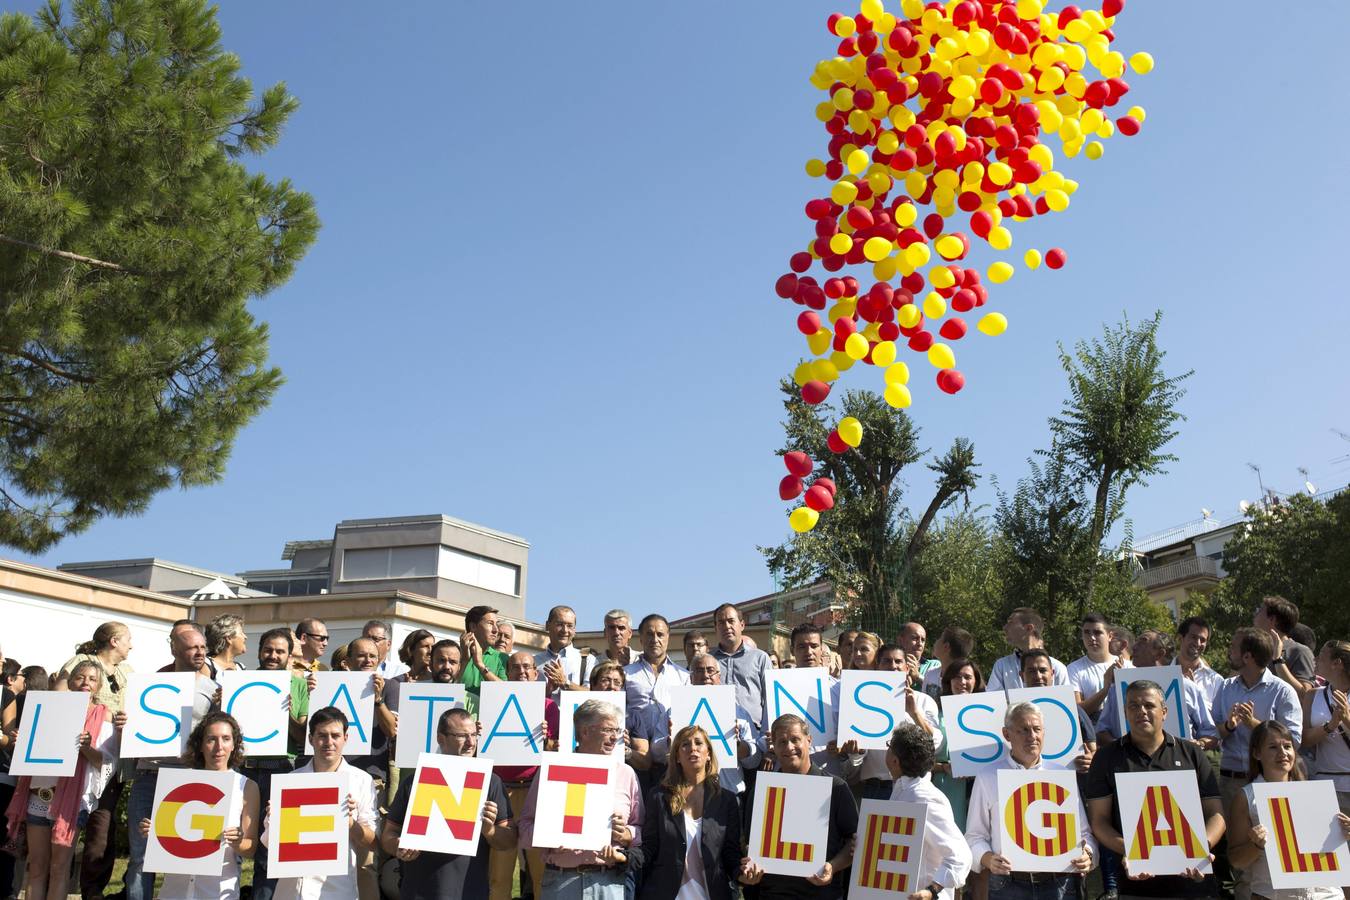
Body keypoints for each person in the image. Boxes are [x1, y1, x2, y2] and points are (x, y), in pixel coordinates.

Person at [1086, 680, 1226, 899]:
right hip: (1136, 885)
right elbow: (1099, 821)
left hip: (1193, 881)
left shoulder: (1191, 753)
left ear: (1164, 711)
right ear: (1125, 712)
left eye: (1149, 705)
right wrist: (1132, 851)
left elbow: (1216, 814)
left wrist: (1199, 848)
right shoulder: (1106, 757)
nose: (1141, 711)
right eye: (1133, 706)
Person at [4, 660, 121, 900]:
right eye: (80, 677)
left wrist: (86, 747)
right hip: (40, 793)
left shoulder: (102, 715)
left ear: (98, 686)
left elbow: (104, 762)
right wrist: (21, 742)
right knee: (36, 867)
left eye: (91, 679)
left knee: (59, 868)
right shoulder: (48, 709)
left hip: (71, 801)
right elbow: (32, 751)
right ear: (71, 681)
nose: (85, 683)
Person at [126, 624, 219, 900]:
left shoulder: (214, 689)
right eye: (192, 647)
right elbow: (134, 726)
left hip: (189, 777)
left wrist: (226, 706)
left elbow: (220, 734)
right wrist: (124, 725)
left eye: (203, 647)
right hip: (148, 775)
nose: (200, 652)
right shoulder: (150, 684)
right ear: (174, 649)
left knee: (182, 857)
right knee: (140, 857)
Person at [382, 708, 516, 899]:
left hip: (468, 892)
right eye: (462, 736)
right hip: (418, 892)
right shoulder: (415, 781)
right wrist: (399, 846)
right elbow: (388, 836)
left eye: (474, 735)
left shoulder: (490, 781)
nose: (471, 743)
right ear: (441, 738)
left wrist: (490, 831)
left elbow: (509, 840)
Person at [966, 702, 1096, 899]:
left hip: (1060, 884)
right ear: (1007, 734)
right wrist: (987, 859)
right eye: (1023, 730)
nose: (1032, 736)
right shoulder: (988, 777)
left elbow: (1084, 833)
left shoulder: (1062, 775)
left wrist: (1088, 854)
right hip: (1008, 886)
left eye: (1037, 729)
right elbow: (974, 836)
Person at [518, 699, 643, 900]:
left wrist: (626, 834)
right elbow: (524, 827)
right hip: (561, 881)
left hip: (608, 882)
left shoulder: (626, 774)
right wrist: (548, 836)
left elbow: (640, 829)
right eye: (608, 730)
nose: (614, 738)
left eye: (617, 731)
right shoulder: (551, 771)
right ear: (584, 732)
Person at [53, 621, 135, 900]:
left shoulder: (128, 672)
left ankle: (93, 891)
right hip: (74, 761)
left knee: (102, 830)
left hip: (111, 764)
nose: (131, 646)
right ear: (114, 641)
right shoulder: (81, 662)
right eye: (128, 640)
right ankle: (57, 886)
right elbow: (58, 702)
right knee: (64, 827)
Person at [139, 712, 260, 900]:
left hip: (218, 892)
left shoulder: (247, 787)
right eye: (212, 739)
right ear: (201, 745)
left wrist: (237, 842)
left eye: (226, 739)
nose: (219, 747)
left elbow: (251, 848)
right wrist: (154, 831)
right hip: (174, 891)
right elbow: (170, 836)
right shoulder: (178, 783)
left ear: (234, 744)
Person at [738, 714, 858, 898]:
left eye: (795, 740)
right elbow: (749, 842)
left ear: (808, 740)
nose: (789, 747)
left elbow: (854, 841)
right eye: (782, 742)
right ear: (774, 748)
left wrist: (832, 866)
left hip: (822, 894)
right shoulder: (762, 790)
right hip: (773, 894)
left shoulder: (836, 787)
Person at [265, 707, 377, 900]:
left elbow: (373, 842)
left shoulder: (362, 781)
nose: (329, 742)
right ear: (310, 739)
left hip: (336, 890)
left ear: (346, 738)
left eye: (335, 735)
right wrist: (275, 822)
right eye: (322, 736)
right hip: (291, 890)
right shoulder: (291, 781)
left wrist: (351, 824)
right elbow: (269, 844)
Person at [1227, 720, 1346, 900]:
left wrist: (1344, 833)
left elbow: (1334, 855)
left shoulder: (1316, 794)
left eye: (1287, 746)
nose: (1283, 753)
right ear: (1257, 753)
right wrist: (1256, 845)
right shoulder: (1246, 797)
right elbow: (1236, 861)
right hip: (1273, 895)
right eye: (1273, 747)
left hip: (1327, 894)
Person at [634, 725, 742, 900]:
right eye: (685, 744)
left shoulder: (727, 800)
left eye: (698, 743)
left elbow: (731, 854)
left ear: (708, 754)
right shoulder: (658, 796)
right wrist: (624, 858)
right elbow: (649, 848)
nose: (692, 748)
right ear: (676, 756)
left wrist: (743, 874)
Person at [489, 652, 560, 900]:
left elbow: (559, 750)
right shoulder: (492, 702)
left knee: (541, 872)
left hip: (535, 791)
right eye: (515, 667)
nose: (521, 672)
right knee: (499, 873)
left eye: (527, 667)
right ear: (506, 673)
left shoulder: (550, 707)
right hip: (501, 792)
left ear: (535, 673)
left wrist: (548, 740)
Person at [246, 628, 311, 900]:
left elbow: (302, 736)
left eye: (280, 651)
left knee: (270, 847)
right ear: (260, 651)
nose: (273, 656)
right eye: (268, 650)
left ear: (289, 655)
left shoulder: (298, 685)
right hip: (244, 767)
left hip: (282, 767)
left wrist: (287, 714)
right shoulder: (242, 681)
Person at [1213, 629, 1303, 816]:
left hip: (1270, 782)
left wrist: (1253, 724)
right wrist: (1229, 726)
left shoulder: (1282, 691)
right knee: (1235, 844)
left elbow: (1293, 741)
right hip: (1231, 781)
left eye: (1233, 648)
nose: (1229, 651)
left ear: (1247, 657)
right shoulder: (1226, 687)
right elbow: (1213, 733)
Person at [651, 654, 762, 796]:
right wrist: (670, 741)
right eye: (699, 670)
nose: (705, 675)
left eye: (710, 670)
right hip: (685, 793)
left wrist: (738, 746)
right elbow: (655, 753)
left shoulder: (738, 713)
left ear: (719, 676)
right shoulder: (674, 712)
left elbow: (755, 760)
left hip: (728, 792)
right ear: (691, 678)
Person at [886, 723, 973, 900]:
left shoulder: (923, 798)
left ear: (895, 761)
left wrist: (931, 891)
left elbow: (960, 855)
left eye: (889, 746)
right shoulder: (903, 789)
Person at [1097, 630, 1217, 750]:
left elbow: (1211, 734)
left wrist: (1198, 744)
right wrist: (1123, 748)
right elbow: (1102, 732)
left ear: (1159, 653)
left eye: (1143, 641)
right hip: (1129, 765)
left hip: (1178, 766)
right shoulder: (1119, 688)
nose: (1134, 646)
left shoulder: (1188, 688)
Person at [780, 624, 864, 782]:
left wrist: (843, 747)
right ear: (792, 650)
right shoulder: (777, 688)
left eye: (814, 646)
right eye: (802, 647)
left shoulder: (840, 689)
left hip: (829, 776)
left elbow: (853, 738)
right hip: (788, 778)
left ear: (822, 649)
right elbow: (768, 736)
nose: (809, 652)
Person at [859, 644, 942, 800]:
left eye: (898, 661)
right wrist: (855, 751)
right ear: (877, 666)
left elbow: (935, 745)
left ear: (906, 668)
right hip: (876, 789)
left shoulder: (924, 701)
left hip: (913, 790)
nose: (893, 666)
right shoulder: (864, 701)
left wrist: (914, 712)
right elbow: (857, 753)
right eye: (886, 661)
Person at [1019, 650, 1097, 773]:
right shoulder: (1013, 712)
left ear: (1052, 673)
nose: (1038, 676)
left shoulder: (1072, 708)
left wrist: (1090, 759)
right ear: (1021, 675)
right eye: (1031, 671)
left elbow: (1093, 750)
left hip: (1069, 779)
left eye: (1043, 670)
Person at [932, 659, 984, 829]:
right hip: (944, 786)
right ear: (948, 682)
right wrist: (943, 767)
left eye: (967, 677)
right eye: (957, 677)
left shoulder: (987, 715)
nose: (962, 682)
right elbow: (919, 759)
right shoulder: (935, 714)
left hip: (979, 789)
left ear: (975, 681)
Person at [1302, 640, 1350, 815]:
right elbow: (1305, 740)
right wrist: (1329, 726)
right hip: (1324, 783)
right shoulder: (1312, 695)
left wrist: (1345, 717)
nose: (1315, 659)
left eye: (1321, 656)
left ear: (1337, 664)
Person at [711, 603, 771, 733]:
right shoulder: (708, 661)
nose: (726, 626)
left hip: (755, 732)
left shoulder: (760, 658)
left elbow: (769, 700)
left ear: (742, 625)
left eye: (731, 621)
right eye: (721, 622)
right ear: (715, 628)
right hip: (718, 732)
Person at [589, 661, 657, 775]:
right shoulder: (577, 712)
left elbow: (646, 763)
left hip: (621, 780)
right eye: (605, 680)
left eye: (617, 682)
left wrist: (626, 750)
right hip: (588, 776)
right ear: (593, 685)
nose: (611, 686)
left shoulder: (633, 716)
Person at [625, 614, 690, 724]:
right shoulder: (625, 673)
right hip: (634, 739)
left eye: (660, 635)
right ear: (641, 638)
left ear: (668, 637)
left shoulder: (684, 676)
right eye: (649, 634)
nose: (655, 640)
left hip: (671, 739)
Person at [987, 608, 1069, 692]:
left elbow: (1066, 703)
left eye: (1010, 622)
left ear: (1029, 628)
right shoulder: (1002, 666)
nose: (1004, 628)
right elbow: (993, 701)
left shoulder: (1058, 668)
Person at [1254, 597, 1317, 699]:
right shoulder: (1255, 649)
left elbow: (1305, 695)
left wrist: (1278, 660)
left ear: (1272, 619)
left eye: (1259, 610)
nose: (1255, 614)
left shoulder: (1300, 652)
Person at [1066, 613, 1119, 725]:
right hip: (1094, 736)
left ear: (1110, 636)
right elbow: (1076, 711)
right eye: (1086, 633)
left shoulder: (1126, 666)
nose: (1092, 638)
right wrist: (1105, 689)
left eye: (1097, 632)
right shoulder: (1074, 669)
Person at [461, 605, 507, 714]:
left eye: (497, 624)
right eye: (490, 624)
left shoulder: (502, 658)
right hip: (460, 724)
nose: (496, 630)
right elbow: (447, 690)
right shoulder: (455, 657)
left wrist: (480, 665)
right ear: (473, 627)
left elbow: (506, 692)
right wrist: (463, 660)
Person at [535, 605, 592, 696]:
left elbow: (593, 693)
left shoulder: (587, 659)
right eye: (559, 624)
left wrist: (565, 683)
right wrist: (548, 691)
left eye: (569, 626)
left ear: (574, 630)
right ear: (547, 625)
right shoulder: (534, 661)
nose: (565, 630)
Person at [1174, 616, 1224, 709]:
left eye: (1203, 640)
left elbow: (1219, 719)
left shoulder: (1215, 680)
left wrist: (1195, 692)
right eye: (1193, 637)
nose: (1197, 643)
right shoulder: (1162, 673)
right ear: (1180, 638)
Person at [922, 626, 974, 701]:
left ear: (946, 646)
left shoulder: (966, 682)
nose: (935, 642)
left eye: (939, 639)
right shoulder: (930, 674)